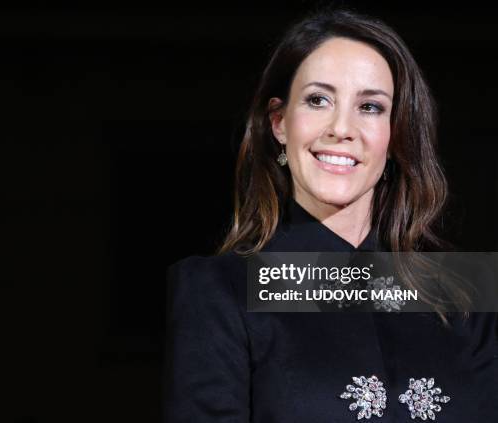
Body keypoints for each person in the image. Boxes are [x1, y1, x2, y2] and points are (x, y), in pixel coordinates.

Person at [162, 7, 498, 422]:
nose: (342, 128)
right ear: (279, 123)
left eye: (370, 107)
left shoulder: (467, 294)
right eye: (318, 100)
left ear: (396, 135)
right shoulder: (222, 291)